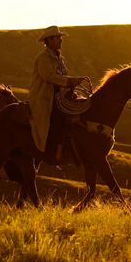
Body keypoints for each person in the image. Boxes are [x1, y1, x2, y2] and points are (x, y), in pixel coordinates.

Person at [28, 26, 87, 166]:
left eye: (61, 37)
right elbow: (48, 75)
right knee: (58, 116)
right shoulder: (43, 58)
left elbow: (62, 76)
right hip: (44, 97)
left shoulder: (59, 58)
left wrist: (72, 81)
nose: (61, 40)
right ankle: (56, 153)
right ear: (49, 40)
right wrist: (68, 80)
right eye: (58, 37)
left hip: (58, 95)